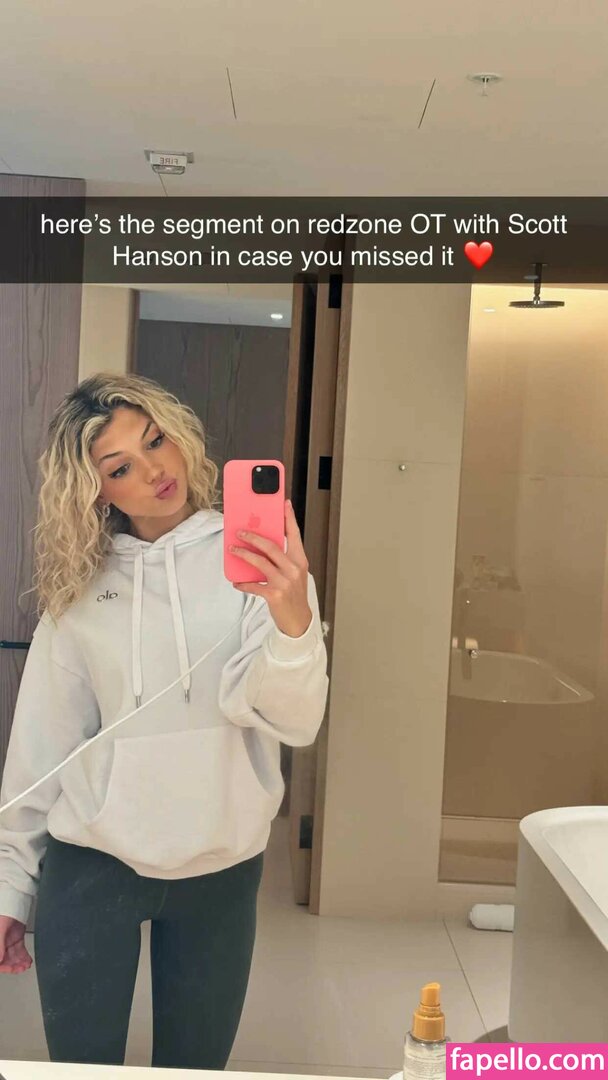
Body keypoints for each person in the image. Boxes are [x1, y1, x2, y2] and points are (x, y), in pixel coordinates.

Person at [0, 372, 328, 1069]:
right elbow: (42, 746)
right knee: (81, 1070)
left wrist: (294, 617)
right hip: (93, 862)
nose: (153, 471)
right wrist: (10, 883)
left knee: (195, 1071)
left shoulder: (259, 563)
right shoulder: (81, 589)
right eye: (119, 467)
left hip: (222, 864)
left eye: (155, 441)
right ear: (97, 490)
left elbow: (294, 722)